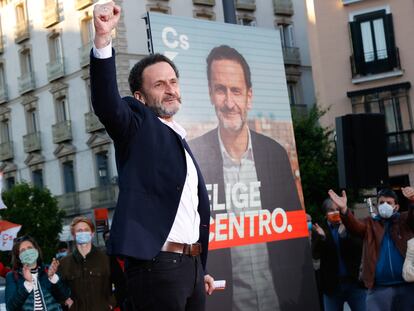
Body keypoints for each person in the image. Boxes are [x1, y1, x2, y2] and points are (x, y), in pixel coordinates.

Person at [90, 2, 214, 310]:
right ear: (140, 97)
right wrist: (103, 40)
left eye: (173, 81)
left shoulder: (181, 139)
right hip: (156, 266)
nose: (170, 89)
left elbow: (191, 212)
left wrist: (201, 269)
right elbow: (107, 104)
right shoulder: (137, 123)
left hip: (192, 268)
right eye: (159, 84)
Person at [189, 45, 317, 310]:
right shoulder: (195, 157)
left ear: (249, 96)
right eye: (220, 89)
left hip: (282, 303)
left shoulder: (275, 155)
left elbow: (295, 242)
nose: (229, 102)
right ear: (211, 95)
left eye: (236, 90)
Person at [328, 188, 414, 310]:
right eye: (381, 202)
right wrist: (344, 210)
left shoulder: (404, 220)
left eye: (389, 203)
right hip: (379, 289)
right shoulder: (370, 224)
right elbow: (354, 226)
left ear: (396, 207)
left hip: (407, 287)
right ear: (377, 206)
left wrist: (412, 200)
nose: (385, 205)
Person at [312, 198, 366, 311]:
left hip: (354, 284)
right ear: (326, 214)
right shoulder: (320, 230)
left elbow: (359, 247)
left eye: (337, 209)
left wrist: (345, 234)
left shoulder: (351, 225)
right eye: (331, 210)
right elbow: (315, 255)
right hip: (332, 287)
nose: (335, 212)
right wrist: (322, 239)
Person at [58, 216, 115, 310]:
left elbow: (121, 284)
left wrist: (111, 303)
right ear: (73, 235)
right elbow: (58, 289)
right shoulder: (64, 263)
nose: (83, 233)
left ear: (92, 234)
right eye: (79, 231)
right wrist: (66, 302)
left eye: (86, 230)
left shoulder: (106, 258)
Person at [5, 235, 70, 310]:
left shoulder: (48, 270)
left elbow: (64, 297)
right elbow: (10, 308)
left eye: (30, 248)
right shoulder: (13, 276)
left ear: (36, 250)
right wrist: (27, 284)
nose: (27, 252)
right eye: (23, 250)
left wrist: (53, 278)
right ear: (18, 256)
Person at [103, 229, 127, 311]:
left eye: (110, 237)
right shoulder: (106, 260)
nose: (108, 240)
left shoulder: (126, 257)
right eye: (106, 238)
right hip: (116, 300)